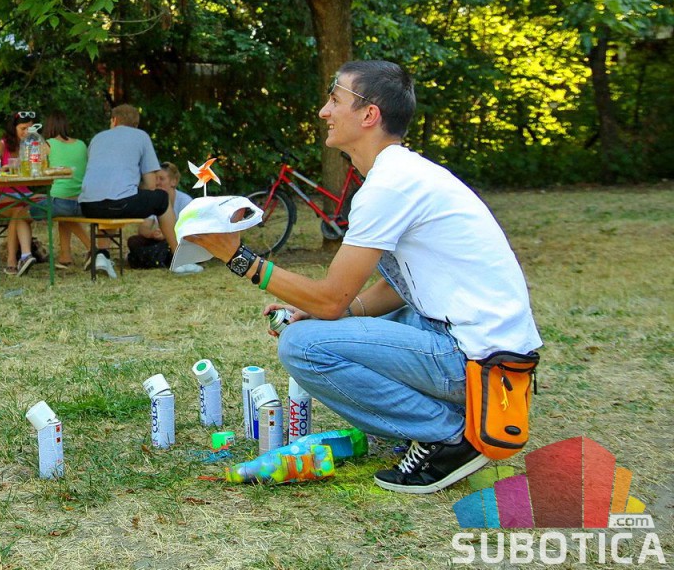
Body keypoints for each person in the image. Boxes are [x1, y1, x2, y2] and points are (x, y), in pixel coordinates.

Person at [180, 60, 541, 494]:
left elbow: (331, 298)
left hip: (478, 362)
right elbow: (398, 287)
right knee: (327, 322)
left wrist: (239, 258)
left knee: (302, 345)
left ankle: (447, 437)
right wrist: (331, 311)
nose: (324, 112)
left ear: (369, 114)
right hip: (486, 351)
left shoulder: (391, 185)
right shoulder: (403, 174)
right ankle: (447, 420)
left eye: (335, 100)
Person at [79, 103, 177, 278]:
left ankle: (102, 255)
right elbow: (151, 184)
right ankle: (179, 256)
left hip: (88, 205)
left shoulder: (97, 138)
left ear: (114, 120)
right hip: (120, 203)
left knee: (110, 203)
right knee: (161, 198)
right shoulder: (141, 136)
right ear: (136, 124)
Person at [28, 111, 92, 269]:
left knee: (21, 214)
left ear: (49, 126)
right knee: (63, 213)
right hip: (83, 201)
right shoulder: (81, 144)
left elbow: (35, 170)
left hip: (61, 203)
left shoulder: (47, 145)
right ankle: (65, 256)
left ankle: (93, 248)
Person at [127, 162, 199, 273]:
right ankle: (163, 257)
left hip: (181, 241)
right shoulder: (154, 202)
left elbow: (192, 230)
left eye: (161, 179)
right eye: (155, 179)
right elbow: (143, 228)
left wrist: (168, 235)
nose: (157, 183)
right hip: (160, 242)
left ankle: (163, 257)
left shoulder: (185, 201)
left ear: (173, 181)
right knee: (133, 241)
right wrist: (152, 234)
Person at [0, 111, 40, 275]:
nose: (26, 132)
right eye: (23, 128)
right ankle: (12, 260)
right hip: (3, 193)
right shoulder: (1, 145)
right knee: (17, 210)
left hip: (25, 193)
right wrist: (4, 168)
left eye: (29, 128)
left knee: (47, 199)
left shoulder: (31, 144)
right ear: (13, 128)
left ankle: (26, 256)